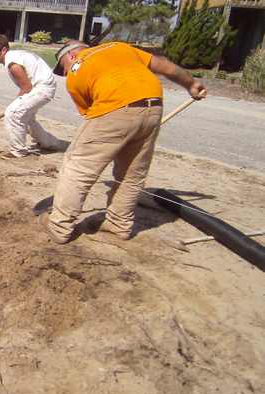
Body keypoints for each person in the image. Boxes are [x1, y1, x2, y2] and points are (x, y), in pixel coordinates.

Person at [47, 40, 206, 244]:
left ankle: (59, 226)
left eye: (63, 68)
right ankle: (118, 224)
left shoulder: (76, 68)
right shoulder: (120, 47)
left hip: (114, 107)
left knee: (77, 167)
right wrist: (191, 84)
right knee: (131, 173)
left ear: (70, 56)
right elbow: (165, 65)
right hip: (153, 106)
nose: (66, 74)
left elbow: (92, 115)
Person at [0, 34, 61, 158]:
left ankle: (18, 150)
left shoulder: (13, 64)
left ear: (4, 50)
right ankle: (49, 143)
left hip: (42, 88)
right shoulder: (13, 57)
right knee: (27, 117)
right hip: (43, 86)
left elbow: (26, 87)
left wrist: (15, 105)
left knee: (13, 113)